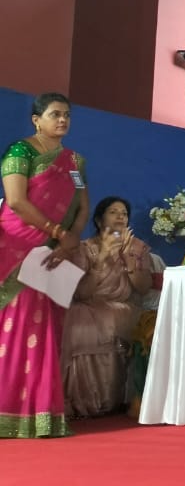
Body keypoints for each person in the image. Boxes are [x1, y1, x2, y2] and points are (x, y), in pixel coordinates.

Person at [0, 93, 87, 439]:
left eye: (67, 115)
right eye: (55, 114)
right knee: (15, 322)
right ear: (36, 119)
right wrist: (57, 232)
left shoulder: (75, 162)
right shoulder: (20, 152)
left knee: (43, 327)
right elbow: (16, 201)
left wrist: (69, 241)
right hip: (16, 247)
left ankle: (38, 414)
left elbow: (82, 205)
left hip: (53, 252)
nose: (62, 120)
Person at [62, 196, 153, 418]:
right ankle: (80, 400)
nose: (120, 216)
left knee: (104, 320)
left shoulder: (138, 247)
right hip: (88, 305)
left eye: (124, 213)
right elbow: (82, 294)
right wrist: (102, 258)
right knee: (74, 321)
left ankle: (109, 400)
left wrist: (129, 259)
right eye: (113, 212)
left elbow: (143, 288)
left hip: (123, 307)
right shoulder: (84, 249)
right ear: (99, 220)